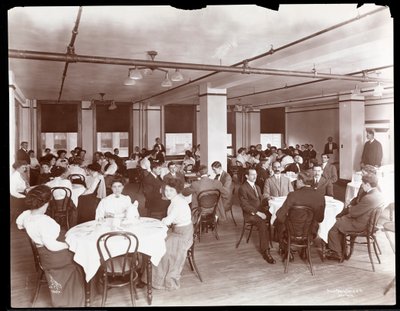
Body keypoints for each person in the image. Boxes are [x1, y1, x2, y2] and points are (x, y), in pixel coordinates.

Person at [15, 185, 85, 307]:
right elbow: (52, 246)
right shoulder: (45, 221)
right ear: (46, 202)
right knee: (82, 255)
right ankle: (77, 298)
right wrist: (68, 245)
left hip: (43, 254)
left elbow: (19, 224)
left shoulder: (26, 215)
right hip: (53, 257)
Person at [325, 174, 385, 261]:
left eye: (363, 184)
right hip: (367, 222)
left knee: (333, 225)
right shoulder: (379, 195)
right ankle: (342, 249)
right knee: (340, 220)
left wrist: (349, 209)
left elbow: (354, 213)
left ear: (368, 185)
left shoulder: (368, 198)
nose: (362, 186)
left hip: (360, 224)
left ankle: (337, 252)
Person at [150, 178, 193, 290]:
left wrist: (161, 221)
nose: (168, 193)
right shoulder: (178, 199)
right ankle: (155, 277)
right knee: (158, 243)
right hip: (181, 230)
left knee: (159, 250)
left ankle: (158, 281)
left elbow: (168, 221)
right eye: (166, 190)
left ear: (177, 191)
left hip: (182, 235)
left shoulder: (177, 203)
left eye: (171, 190)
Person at [274, 171, 326, 259]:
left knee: (278, 221)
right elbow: (320, 218)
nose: (296, 182)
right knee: (312, 224)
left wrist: (287, 220)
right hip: (310, 233)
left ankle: (286, 250)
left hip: (291, 232)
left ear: (301, 181)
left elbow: (279, 216)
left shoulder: (293, 195)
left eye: (297, 180)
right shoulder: (320, 196)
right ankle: (306, 250)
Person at [238, 168, 275, 264]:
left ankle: (281, 243)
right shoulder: (243, 188)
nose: (255, 177)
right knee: (262, 223)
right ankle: (265, 251)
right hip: (250, 214)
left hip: (259, 211)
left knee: (278, 215)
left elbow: (261, 201)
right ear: (247, 176)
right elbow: (245, 205)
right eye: (252, 175)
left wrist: (268, 199)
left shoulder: (257, 187)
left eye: (256, 174)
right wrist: (259, 213)